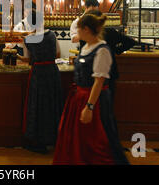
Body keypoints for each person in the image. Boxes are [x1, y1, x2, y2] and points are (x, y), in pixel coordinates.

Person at [53, 14, 129, 165]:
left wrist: (89, 107)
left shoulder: (102, 50)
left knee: (98, 141)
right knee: (78, 141)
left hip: (95, 100)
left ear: (86, 29)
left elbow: (99, 82)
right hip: (79, 98)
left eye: (78, 30)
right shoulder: (86, 47)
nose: (76, 34)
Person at [18, 8, 63, 154]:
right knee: (52, 103)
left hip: (38, 73)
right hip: (52, 71)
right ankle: (54, 138)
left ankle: (38, 141)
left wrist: (15, 56)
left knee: (37, 106)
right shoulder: (52, 35)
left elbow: (27, 59)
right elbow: (58, 54)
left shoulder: (28, 39)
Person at [86, 10, 137, 101]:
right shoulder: (110, 32)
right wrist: (116, 50)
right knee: (107, 103)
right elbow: (130, 42)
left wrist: (116, 50)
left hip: (92, 74)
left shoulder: (87, 35)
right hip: (109, 73)